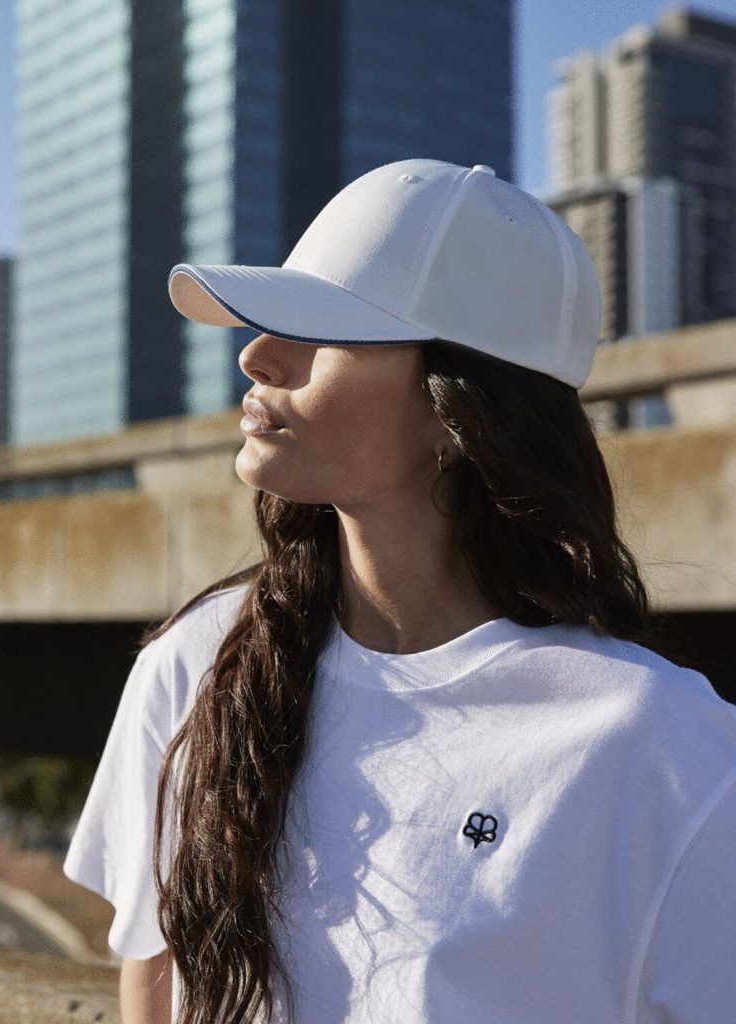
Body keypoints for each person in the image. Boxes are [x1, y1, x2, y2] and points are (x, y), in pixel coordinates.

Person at [62, 159, 736, 1024]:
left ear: (457, 413)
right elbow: (154, 988)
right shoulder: (195, 662)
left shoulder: (664, 749)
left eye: (323, 326)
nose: (258, 353)